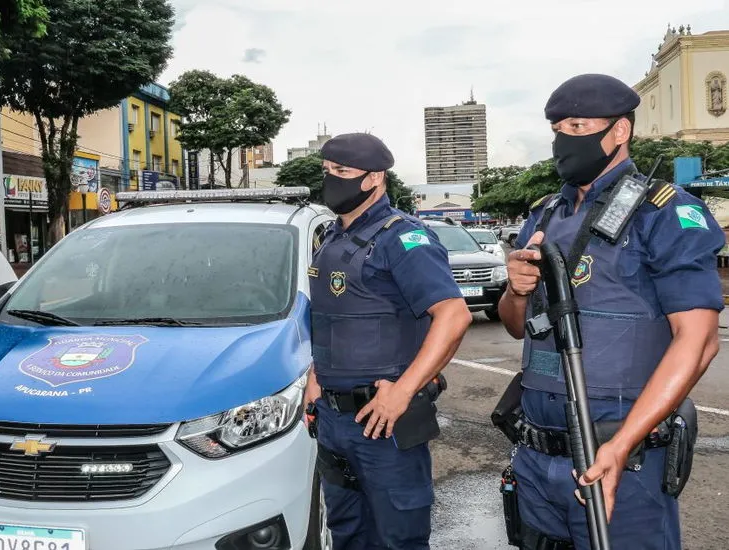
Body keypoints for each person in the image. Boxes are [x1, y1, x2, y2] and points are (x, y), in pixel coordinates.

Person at [496, 73, 724, 549]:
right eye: (557, 128)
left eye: (578, 126)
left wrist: (619, 449)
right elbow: (519, 327)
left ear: (620, 131)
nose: (563, 140)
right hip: (536, 455)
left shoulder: (663, 213)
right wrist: (516, 291)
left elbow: (699, 340)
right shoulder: (544, 215)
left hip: (620, 451)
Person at [303, 132, 472, 549]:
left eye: (342, 172)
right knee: (346, 534)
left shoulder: (403, 237)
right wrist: (315, 375)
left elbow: (453, 316)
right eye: (327, 172)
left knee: (398, 538)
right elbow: (331, 319)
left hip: (385, 421)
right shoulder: (331, 238)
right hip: (334, 418)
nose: (331, 180)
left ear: (374, 178)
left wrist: (403, 392)